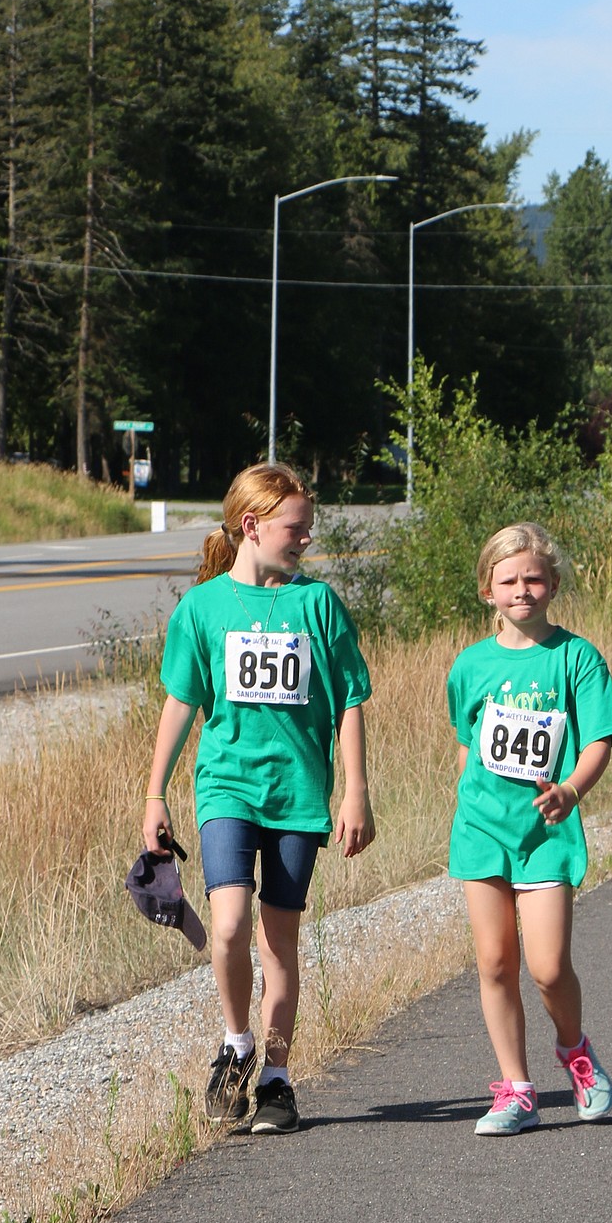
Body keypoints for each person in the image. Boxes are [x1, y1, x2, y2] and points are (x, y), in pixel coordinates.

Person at [143, 462, 375, 1134]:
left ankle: (275, 1079)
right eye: (294, 529)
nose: (305, 540)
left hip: (300, 795)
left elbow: (351, 700)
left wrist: (354, 790)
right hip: (227, 788)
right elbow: (182, 701)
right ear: (252, 526)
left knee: (279, 944)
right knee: (227, 926)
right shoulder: (203, 608)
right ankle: (237, 1043)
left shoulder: (318, 604)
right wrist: (154, 793)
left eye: (307, 529)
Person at [447, 521, 612, 1135]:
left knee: (548, 967)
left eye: (533, 578)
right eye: (508, 580)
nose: (522, 589)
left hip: (548, 831)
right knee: (495, 962)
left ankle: (575, 1052)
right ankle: (515, 1090)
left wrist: (571, 790)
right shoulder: (470, 665)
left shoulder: (576, 657)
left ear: (552, 585)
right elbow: (468, 739)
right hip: (480, 829)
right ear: (487, 592)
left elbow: (600, 739)